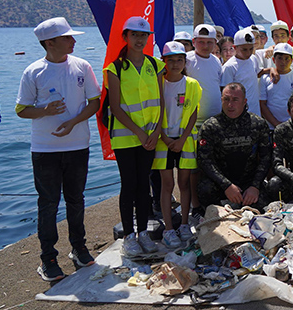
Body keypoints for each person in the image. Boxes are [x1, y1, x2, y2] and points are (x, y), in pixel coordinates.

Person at [17, 17, 100, 281]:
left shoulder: (82, 66)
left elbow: (95, 102)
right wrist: (45, 111)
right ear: (50, 43)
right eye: (67, 38)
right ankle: (48, 258)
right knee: (48, 204)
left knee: (76, 200)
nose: (73, 41)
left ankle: (78, 247)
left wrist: (73, 121)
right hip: (45, 150)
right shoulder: (33, 72)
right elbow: (21, 109)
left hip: (78, 146)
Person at [105, 17, 164, 256]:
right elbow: (116, 107)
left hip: (150, 137)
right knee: (128, 185)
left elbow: (160, 102)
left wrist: (157, 130)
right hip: (126, 138)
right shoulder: (115, 68)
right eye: (135, 35)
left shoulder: (156, 65)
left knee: (144, 187)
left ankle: (143, 234)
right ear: (126, 37)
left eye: (144, 35)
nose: (140, 40)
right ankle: (128, 236)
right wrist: (139, 132)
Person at [197, 83, 273, 210]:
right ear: (221, 100)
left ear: (244, 102)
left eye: (235, 100)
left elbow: (266, 158)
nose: (230, 105)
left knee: (263, 207)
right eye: (226, 99)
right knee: (205, 189)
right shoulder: (210, 126)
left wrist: (255, 186)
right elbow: (204, 161)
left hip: (249, 185)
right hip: (221, 185)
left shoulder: (258, 124)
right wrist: (226, 185)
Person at [154, 42, 200, 248]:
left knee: (184, 184)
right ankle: (168, 229)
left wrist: (182, 139)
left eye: (179, 60)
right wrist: (164, 137)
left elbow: (193, 114)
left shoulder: (191, 84)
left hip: (185, 141)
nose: (175, 64)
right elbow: (153, 112)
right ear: (163, 61)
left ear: (185, 61)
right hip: (163, 142)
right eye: (170, 60)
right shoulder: (157, 83)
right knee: (167, 185)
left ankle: (183, 224)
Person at [221, 27, 263, 116]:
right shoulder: (229, 67)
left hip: (255, 112)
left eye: (251, 49)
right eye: (244, 49)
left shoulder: (253, 59)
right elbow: (225, 93)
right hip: (238, 115)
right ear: (235, 47)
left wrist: (272, 70)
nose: (248, 53)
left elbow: (258, 73)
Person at [186, 24, 222, 125]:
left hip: (215, 120)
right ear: (193, 42)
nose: (205, 46)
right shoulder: (186, 60)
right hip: (191, 122)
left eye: (209, 42)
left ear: (215, 43)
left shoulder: (216, 61)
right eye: (201, 42)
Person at [260, 43, 293, 129]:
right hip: (271, 127)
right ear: (273, 60)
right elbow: (262, 104)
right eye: (279, 58)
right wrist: (276, 124)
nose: (283, 62)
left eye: (287, 58)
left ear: (292, 60)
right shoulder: (265, 78)